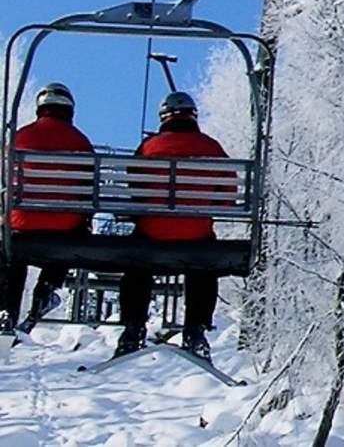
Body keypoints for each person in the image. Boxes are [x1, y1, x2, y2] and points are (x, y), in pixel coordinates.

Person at [115, 91, 235, 361]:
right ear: (193, 116)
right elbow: (227, 195)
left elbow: (134, 190)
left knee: (137, 265)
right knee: (204, 264)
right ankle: (195, 329)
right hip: (196, 235)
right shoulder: (211, 147)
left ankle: (133, 328)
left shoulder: (149, 147)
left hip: (152, 234)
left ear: (163, 118)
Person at [1, 83, 93, 338]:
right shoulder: (81, 142)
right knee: (70, 238)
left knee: (11, 254)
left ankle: (6, 309)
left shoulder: (19, 137)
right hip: (63, 230)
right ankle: (46, 288)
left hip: (22, 226)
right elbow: (89, 190)